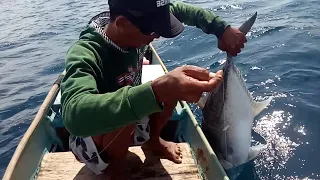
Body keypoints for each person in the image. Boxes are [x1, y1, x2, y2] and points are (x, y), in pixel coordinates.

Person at [61, 0, 246, 179]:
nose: (157, 35)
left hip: (128, 122)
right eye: (152, 29)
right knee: (129, 113)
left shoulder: (138, 24)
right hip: (90, 137)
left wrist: (222, 29)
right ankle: (115, 170)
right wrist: (156, 91)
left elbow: (184, 11)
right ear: (122, 23)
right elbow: (74, 115)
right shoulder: (86, 52)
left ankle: (153, 143)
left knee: (170, 88)